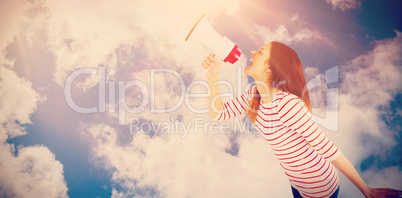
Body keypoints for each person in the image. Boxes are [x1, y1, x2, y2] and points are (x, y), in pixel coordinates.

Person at [201, 41, 402, 198]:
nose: (252, 52)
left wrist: (366, 190)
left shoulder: (287, 104)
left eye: (260, 51)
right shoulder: (254, 95)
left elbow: (327, 148)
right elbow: (217, 113)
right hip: (298, 185)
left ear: (270, 67)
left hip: (321, 188)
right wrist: (213, 77)